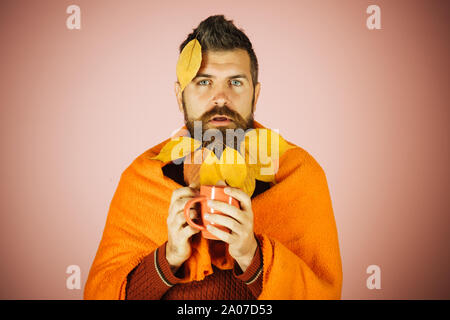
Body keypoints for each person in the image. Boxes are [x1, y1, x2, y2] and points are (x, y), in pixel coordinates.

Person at [84, 15, 343, 300]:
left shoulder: (298, 174)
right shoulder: (145, 177)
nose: (220, 98)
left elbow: (323, 295)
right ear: (179, 95)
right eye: (204, 82)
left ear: (255, 96)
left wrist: (252, 258)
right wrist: (167, 259)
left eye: (235, 82)